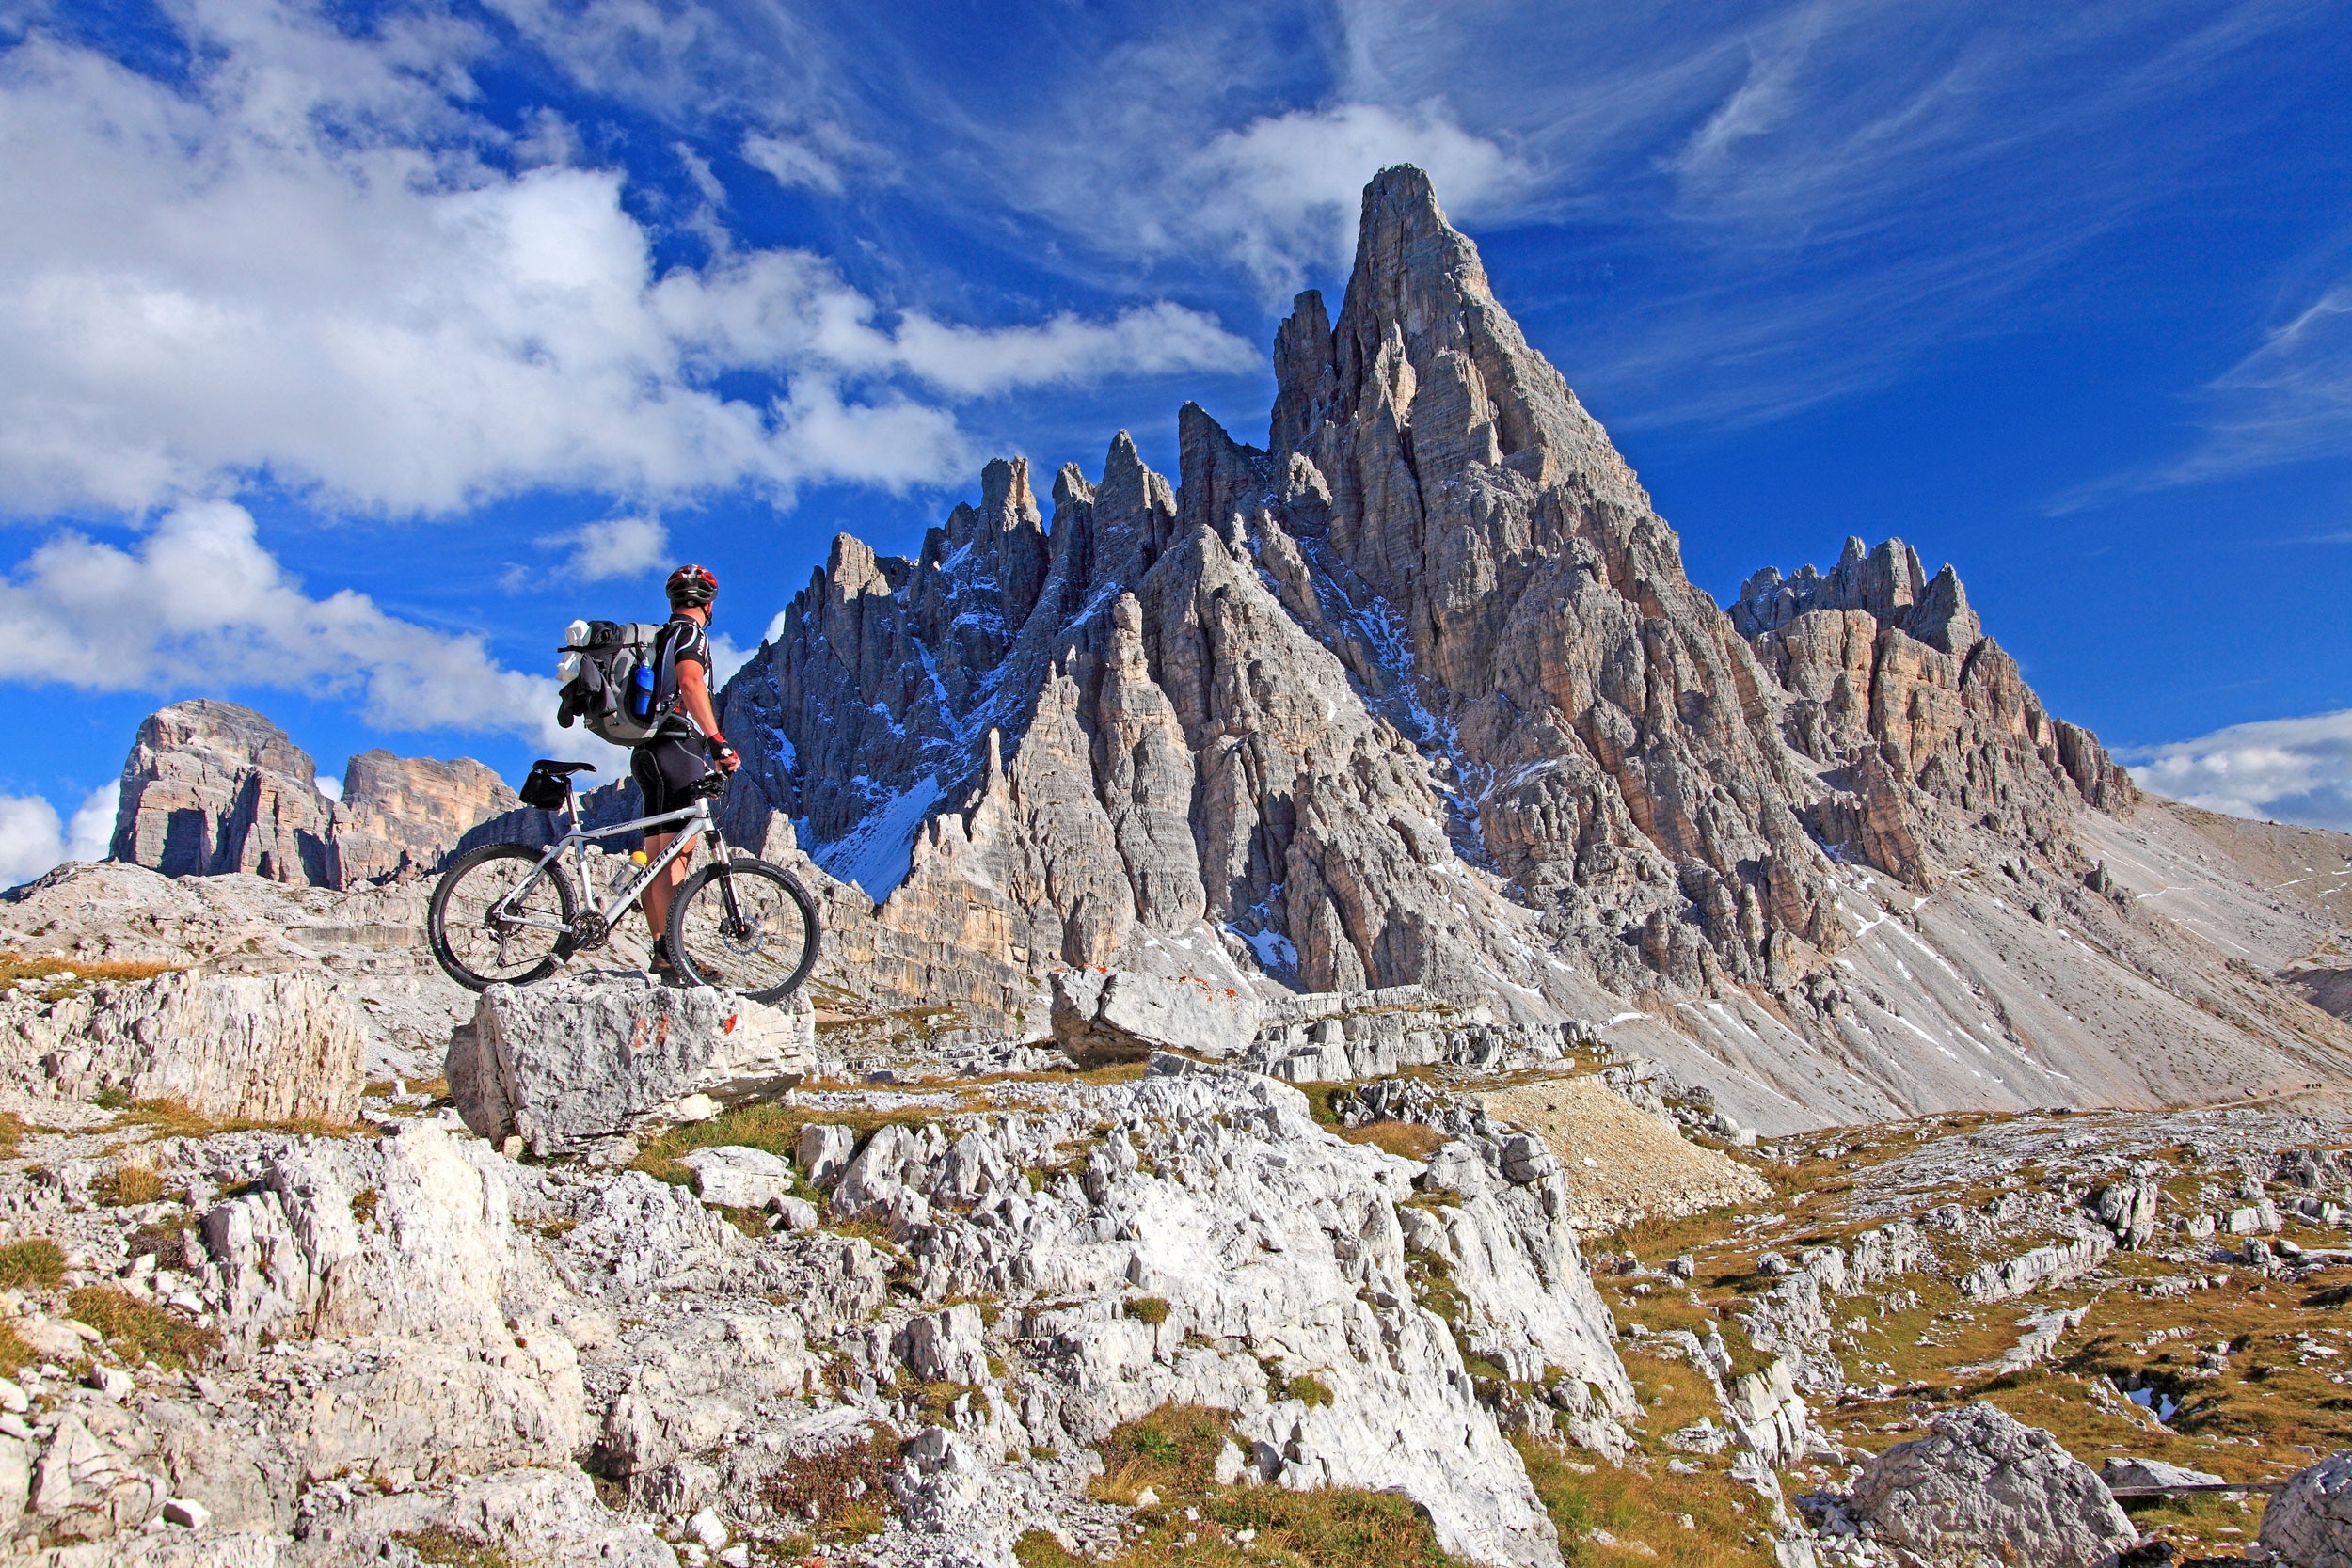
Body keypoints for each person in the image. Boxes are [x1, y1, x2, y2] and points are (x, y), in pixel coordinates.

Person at [635, 562, 740, 981]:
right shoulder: (692, 634)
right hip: (678, 748)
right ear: (709, 604)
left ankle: (663, 950)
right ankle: (674, 953)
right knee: (677, 854)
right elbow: (690, 681)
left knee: (656, 856)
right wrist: (717, 741)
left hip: (647, 752)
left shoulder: (660, 637)